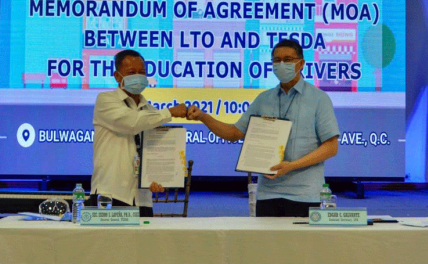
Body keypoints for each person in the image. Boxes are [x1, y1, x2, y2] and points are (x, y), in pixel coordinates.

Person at [188, 39, 340, 217]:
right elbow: (234, 133)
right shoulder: (264, 99)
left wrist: (291, 166)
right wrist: (203, 117)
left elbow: (331, 147)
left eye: (288, 59)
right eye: (276, 60)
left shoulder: (319, 99)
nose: (281, 64)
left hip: (305, 194)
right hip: (268, 194)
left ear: (301, 63)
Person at [90, 49, 188, 217]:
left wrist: (158, 178)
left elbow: (155, 151)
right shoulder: (105, 100)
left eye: (142, 72)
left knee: (145, 244)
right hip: (110, 195)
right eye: (132, 73)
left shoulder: (150, 111)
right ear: (117, 76)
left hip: (142, 199)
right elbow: (132, 122)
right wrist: (170, 112)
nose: (138, 77)